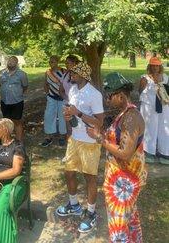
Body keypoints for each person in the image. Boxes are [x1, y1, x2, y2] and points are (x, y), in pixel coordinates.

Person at [87, 72, 147, 243]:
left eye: (109, 96)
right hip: (120, 181)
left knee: (119, 230)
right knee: (130, 222)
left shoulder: (131, 118)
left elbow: (126, 153)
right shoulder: (123, 114)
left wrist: (99, 139)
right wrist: (101, 134)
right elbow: (117, 140)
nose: (107, 100)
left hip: (124, 184)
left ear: (120, 96)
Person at [56, 62, 104, 233]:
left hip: (90, 142)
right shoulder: (73, 90)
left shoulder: (94, 94)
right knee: (69, 173)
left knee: (89, 178)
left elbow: (100, 122)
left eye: (74, 73)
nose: (71, 76)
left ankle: (91, 213)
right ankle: (74, 204)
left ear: (83, 75)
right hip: (74, 139)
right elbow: (72, 111)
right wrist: (69, 115)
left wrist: (79, 114)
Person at [139, 57, 169, 164]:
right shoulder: (145, 78)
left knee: (164, 128)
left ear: (160, 66)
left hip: (164, 106)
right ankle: (149, 152)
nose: (155, 67)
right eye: (153, 65)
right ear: (150, 66)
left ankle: (165, 153)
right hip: (149, 107)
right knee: (149, 128)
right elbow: (140, 92)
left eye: (157, 65)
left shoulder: (165, 77)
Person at [0, 56, 28, 141]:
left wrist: (17, 94)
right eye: (9, 61)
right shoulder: (1, 73)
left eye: (13, 61)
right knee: (6, 122)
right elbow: (0, 84)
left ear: (17, 63)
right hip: (5, 101)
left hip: (17, 101)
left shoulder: (22, 74)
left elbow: (25, 86)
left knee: (17, 122)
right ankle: (8, 141)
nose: (10, 62)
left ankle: (19, 143)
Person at [40, 55, 66, 147]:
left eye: (53, 62)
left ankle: (62, 137)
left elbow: (67, 85)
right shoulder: (48, 72)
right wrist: (48, 94)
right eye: (50, 62)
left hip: (62, 98)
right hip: (51, 97)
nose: (51, 63)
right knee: (49, 116)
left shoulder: (64, 71)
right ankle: (49, 137)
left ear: (57, 62)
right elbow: (46, 84)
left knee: (62, 117)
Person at [59, 54, 80, 139]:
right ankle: (70, 142)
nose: (66, 65)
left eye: (68, 63)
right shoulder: (64, 75)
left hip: (78, 104)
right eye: (65, 63)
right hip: (67, 103)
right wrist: (67, 99)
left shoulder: (80, 75)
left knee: (79, 124)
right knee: (68, 124)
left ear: (75, 63)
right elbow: (60, 91)